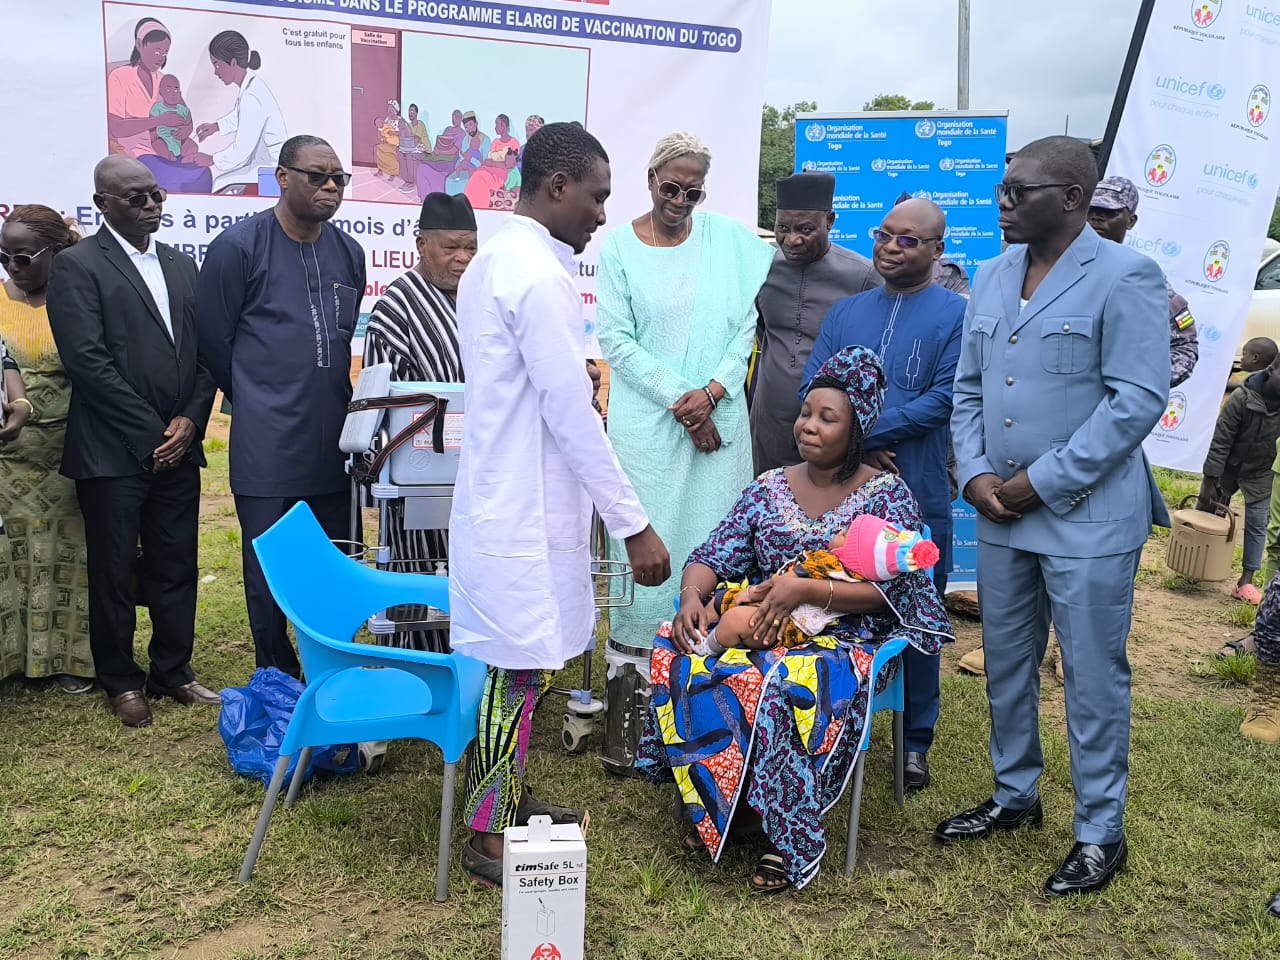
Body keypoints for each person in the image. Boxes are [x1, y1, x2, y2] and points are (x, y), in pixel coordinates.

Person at [942, 136, 1170, 898]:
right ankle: (1015, 795)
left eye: (1019, 191)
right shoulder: (992, 273)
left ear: (1072, 198)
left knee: (1091, 677)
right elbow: (969, 387)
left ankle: (1101, 831)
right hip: (1000, 511)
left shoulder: (1126, 276)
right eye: (1001, 190)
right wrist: (976, 471)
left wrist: (1040, 483)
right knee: (1006, 662)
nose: (1003, 203)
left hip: (1086, 517)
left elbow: (1136, 400)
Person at [638, 345, 951, 893]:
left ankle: (786, 833)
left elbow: (897, 592)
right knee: (678, 646)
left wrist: (808, 589)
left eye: (827, 418)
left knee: (782, 683)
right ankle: (726, 804)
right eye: (806, 413)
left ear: (857, 429)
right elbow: (714, 553)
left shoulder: (886, 496)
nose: (809, 425)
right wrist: (691, 595)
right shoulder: (769, 487)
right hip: (765, 621)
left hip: (850, 640)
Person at [448, 122, 670, 887]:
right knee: (514, 669)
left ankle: (506, 796)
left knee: (521, 664)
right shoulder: (535, 275)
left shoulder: (498, 260)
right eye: (597, 197)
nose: (603, 214)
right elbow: (572, 413)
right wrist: (633, 525)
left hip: (511, 499)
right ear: (557, 185)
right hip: (520, 509)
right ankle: (487, 833)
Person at [46, 156, 219, 727]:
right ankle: (120, 679)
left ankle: (173, 670)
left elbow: (205, 353)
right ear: (103, 203)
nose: (151, 206)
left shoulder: (181, 264)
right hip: (112, 453)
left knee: (176, 563)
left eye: (156, 195)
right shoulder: (77, 266)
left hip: (180, 447)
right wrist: (151, 435)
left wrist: (191, 420)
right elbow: (86, 361)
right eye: (136, 198)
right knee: (115, 571)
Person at [802, 198, 965, 793]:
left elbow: (946, 396)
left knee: (917, 610)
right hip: (841, 488)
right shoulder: (847, 312)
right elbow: (815, 384)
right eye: (884, 234)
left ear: (937, 250)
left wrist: (865, 433)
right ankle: (823, 724)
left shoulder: (957, 314)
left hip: (916, 483)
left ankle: (914, 741)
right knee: (829, 600)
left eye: (908, 240)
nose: (891, 247)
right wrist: (860, 446)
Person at [196, 135, 365, 679]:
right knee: (269, 563)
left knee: (334, 560)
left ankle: (331, 662)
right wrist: (259, 396)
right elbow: (214, 342)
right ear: (283, 177)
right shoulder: (238, 248)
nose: (331, 186)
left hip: (333, 439)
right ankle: (276, 671)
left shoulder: (348, 252)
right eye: (318, 176)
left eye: (338, 178)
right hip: (266, 440)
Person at [596, 132, 773, 651]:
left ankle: (713, 650)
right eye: (671, 188)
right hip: (648, 429)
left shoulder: (727, 241)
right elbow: (617, 341)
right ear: (651, 179)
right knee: (650, 539)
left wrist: (712, 393)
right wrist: (687, 401)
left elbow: (747, 324)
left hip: (721, 420)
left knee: (717, 533)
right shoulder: (620, 247)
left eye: (693, 193)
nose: (680, 201)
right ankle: (635, 657)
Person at [363, 192, 477, 651]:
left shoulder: (482, 298)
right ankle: (416, 665)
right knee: (418, 577)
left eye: (470, 247)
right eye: (451, 247)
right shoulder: (396, 307)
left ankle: (472, 666)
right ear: (421, 244)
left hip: (480, 469)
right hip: (419, 473)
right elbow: (380, 403)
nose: (462, 258)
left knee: (475, 576)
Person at [0, 206, 95, 694]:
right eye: (3, 258)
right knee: (9, 557)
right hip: (6, 457)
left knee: (68, 556)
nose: (12, 268)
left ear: (56, 252)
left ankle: (70, 660)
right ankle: (10, 660)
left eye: (22, 258)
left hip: (69, 452)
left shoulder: (81, 299)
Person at [750, 173, 881, 474]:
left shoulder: (863, 277)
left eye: (805, 229)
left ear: (830, 221)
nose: (791, 239)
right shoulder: (762, 268)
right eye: (782, 228)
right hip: (768, 425)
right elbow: (760, 330)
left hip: (833, 432)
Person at [695, 514, 940, 655]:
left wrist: (750, 593)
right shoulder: (859, 577)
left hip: (781, 625)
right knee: (726, 604)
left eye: (846, 534)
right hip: (796, 625)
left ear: (852, 554)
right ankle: (705, 633)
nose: (840, 531)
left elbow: (780, 584)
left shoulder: (825, 563)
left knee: (733, 615)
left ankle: (706, 647)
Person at [1087, 176, 1198, 388]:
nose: (1097, 218)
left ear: (1130, 221)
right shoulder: (1054, 265)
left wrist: (1136, 390)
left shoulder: (1141, 277)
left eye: (1110, 212)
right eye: (1091, 211)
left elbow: (1184, 346)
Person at [1195, 356, 1280, 604]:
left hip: (1261, 472)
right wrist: (1209, 480)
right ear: (1271, 369)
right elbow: (1221, 440)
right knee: (1207, 510)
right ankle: (1197, 565)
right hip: (1228, 467)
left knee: (1258, 523)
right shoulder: (1241, 398)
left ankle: (1246, 581)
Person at [106, 18, 210, 194]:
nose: (161, 57)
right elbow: (116, 128)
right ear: (139, 45)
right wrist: (158, 120)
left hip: (172, 150)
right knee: (170, 180)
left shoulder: (165, 81)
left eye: (165, 52)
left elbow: (184, 115)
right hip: (138, 155)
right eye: (156, 51)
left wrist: (185, 129)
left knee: (203, 173)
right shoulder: (120, 77)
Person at [193, 31, 287, 194]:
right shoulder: (252, 87)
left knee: (220, 183)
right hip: (262, 164)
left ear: (233, 63)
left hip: (269, 171)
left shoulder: (252, 96)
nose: (216, 72)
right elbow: (242, 117)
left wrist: (212, 159)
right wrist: (216, 127)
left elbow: (242, 149)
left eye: (217, 65)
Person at [463, 114, 520, 210]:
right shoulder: (495, 142)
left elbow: (510, 164)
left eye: (497, 124)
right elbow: (489, 157)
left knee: (482, 179)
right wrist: (489, 163)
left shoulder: (514, 142)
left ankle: (480, 207)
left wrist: (493, 163)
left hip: (507, 171)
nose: (495, 127)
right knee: (477, 175)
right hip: (492, 168)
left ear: (503, 126)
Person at [415, 109, 464, 198]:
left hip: (451, 159)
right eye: (453, 117)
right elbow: (440, 142)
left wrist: (440, 152)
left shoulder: (462, 133)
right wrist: (436, 150)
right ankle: (424, 196)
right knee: (422, 167)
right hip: (439, 156)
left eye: (457, 117)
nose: (454, 119)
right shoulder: (448, 129)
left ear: (461, 119)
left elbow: (454, 150)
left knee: (440, 171)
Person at [148, 75, 197, 162]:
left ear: (179, 93)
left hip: (179, 140)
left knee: (193, 146)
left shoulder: (183, 109)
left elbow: (189, 123)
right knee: (157, 144)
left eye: (176, 90)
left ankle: (188, 157)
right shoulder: (157, 107)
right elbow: (151, 122)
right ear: (160, 92)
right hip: (163, 138)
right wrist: (153, 133)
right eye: (168, 90)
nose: (172, 93)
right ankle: (168, 155)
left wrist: (186, 130)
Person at [373, 100, 405, 179]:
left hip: (395, 143)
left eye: (392, 108)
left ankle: (393, 173)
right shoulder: (387, 119)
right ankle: (380, 170)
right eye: (389, 108)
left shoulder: (400, 120)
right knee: (377, 148)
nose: (389, 110)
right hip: (386, 141)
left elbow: (403, 132)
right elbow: (381, 128)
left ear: (396, 109)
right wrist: (381, 136)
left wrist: (393, 133)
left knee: (391, 153)